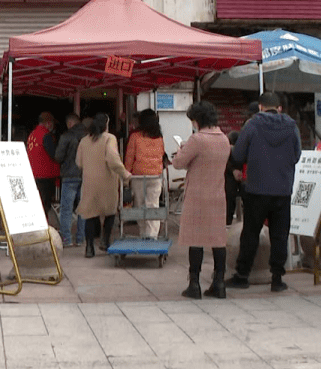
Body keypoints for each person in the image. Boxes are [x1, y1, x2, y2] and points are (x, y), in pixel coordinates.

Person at [227, 92, 301, 293]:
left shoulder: (252, 125)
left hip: (256, 189)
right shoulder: (291, 126)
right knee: (280, 234)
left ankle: (242, 275)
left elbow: (239, 153)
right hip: (283, 190)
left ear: (260, 107)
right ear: (279, 108)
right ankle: (277, 278)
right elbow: (297, 155)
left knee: (250, 232)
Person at [171, 101, 231, 299]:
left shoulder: (197, 140)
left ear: (197, 120)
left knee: (195, 239)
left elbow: (179, 163)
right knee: (218, 240)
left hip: (197, 195)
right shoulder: (223, 139)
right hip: (218, 195)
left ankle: (194, 284)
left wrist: (181, 149)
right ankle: (219, 283)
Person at [76, 112, 133, 258]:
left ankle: (89, 248)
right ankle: (105, 241)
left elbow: (79, 162)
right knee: (109, 212)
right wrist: (125, 174)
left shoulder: (84, 141)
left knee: (89, 214)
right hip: (107, 181)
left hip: (89, 182)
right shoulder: (110, 138)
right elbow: (113, 159)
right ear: (107, 124)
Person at [124, 109, 166, 239]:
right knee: (153, 205)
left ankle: (143, 233)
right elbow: (161, 155)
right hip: (155, 176)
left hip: (138, 176)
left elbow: (129, 158)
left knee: (139, 205)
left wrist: (126, 176)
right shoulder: (159, 137)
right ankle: (152, 235)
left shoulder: (135, 137)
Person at [54, 113, 88, 247]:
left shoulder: (66, 136)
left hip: (69, 175)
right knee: (83, 209)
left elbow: (58, 156)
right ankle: (80, 238)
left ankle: (66, 239)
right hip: (85, 175)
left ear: (69, 123)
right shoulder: (88, 136)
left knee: (66, 209)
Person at [27, 111, 60, 221]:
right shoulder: (46, 135)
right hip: (45, 174)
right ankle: (43, 225)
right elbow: (54, 154)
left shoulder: (32, 135)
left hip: (33, 173)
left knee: (37, 203)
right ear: (49, 123)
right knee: (44, 204)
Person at [224, 130, 243, 226]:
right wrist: (234, 170)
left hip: (240, 177)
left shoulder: (242, 150)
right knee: (230, 196)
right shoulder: (226, 151)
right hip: (230, 178)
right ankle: (228, 221)